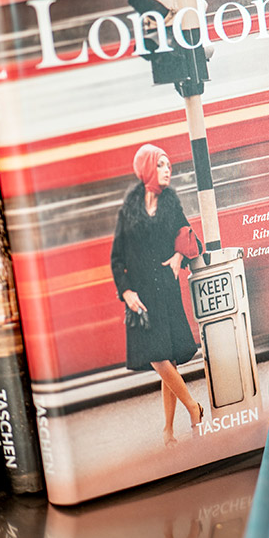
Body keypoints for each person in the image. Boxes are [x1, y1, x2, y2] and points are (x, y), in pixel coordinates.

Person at [111, 143, 204, 446]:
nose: (167, 170)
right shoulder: (129, 209)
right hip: (142, 295)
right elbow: (117, 257)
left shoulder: (171, 203)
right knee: (157, 357)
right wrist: (126, 291)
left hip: (166, 288)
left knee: (167, 360)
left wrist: (178, 257)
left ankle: (168, 431)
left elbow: (188, 235)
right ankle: (193, 408)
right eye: (161, 165)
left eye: (168, 165)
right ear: (147, 169)